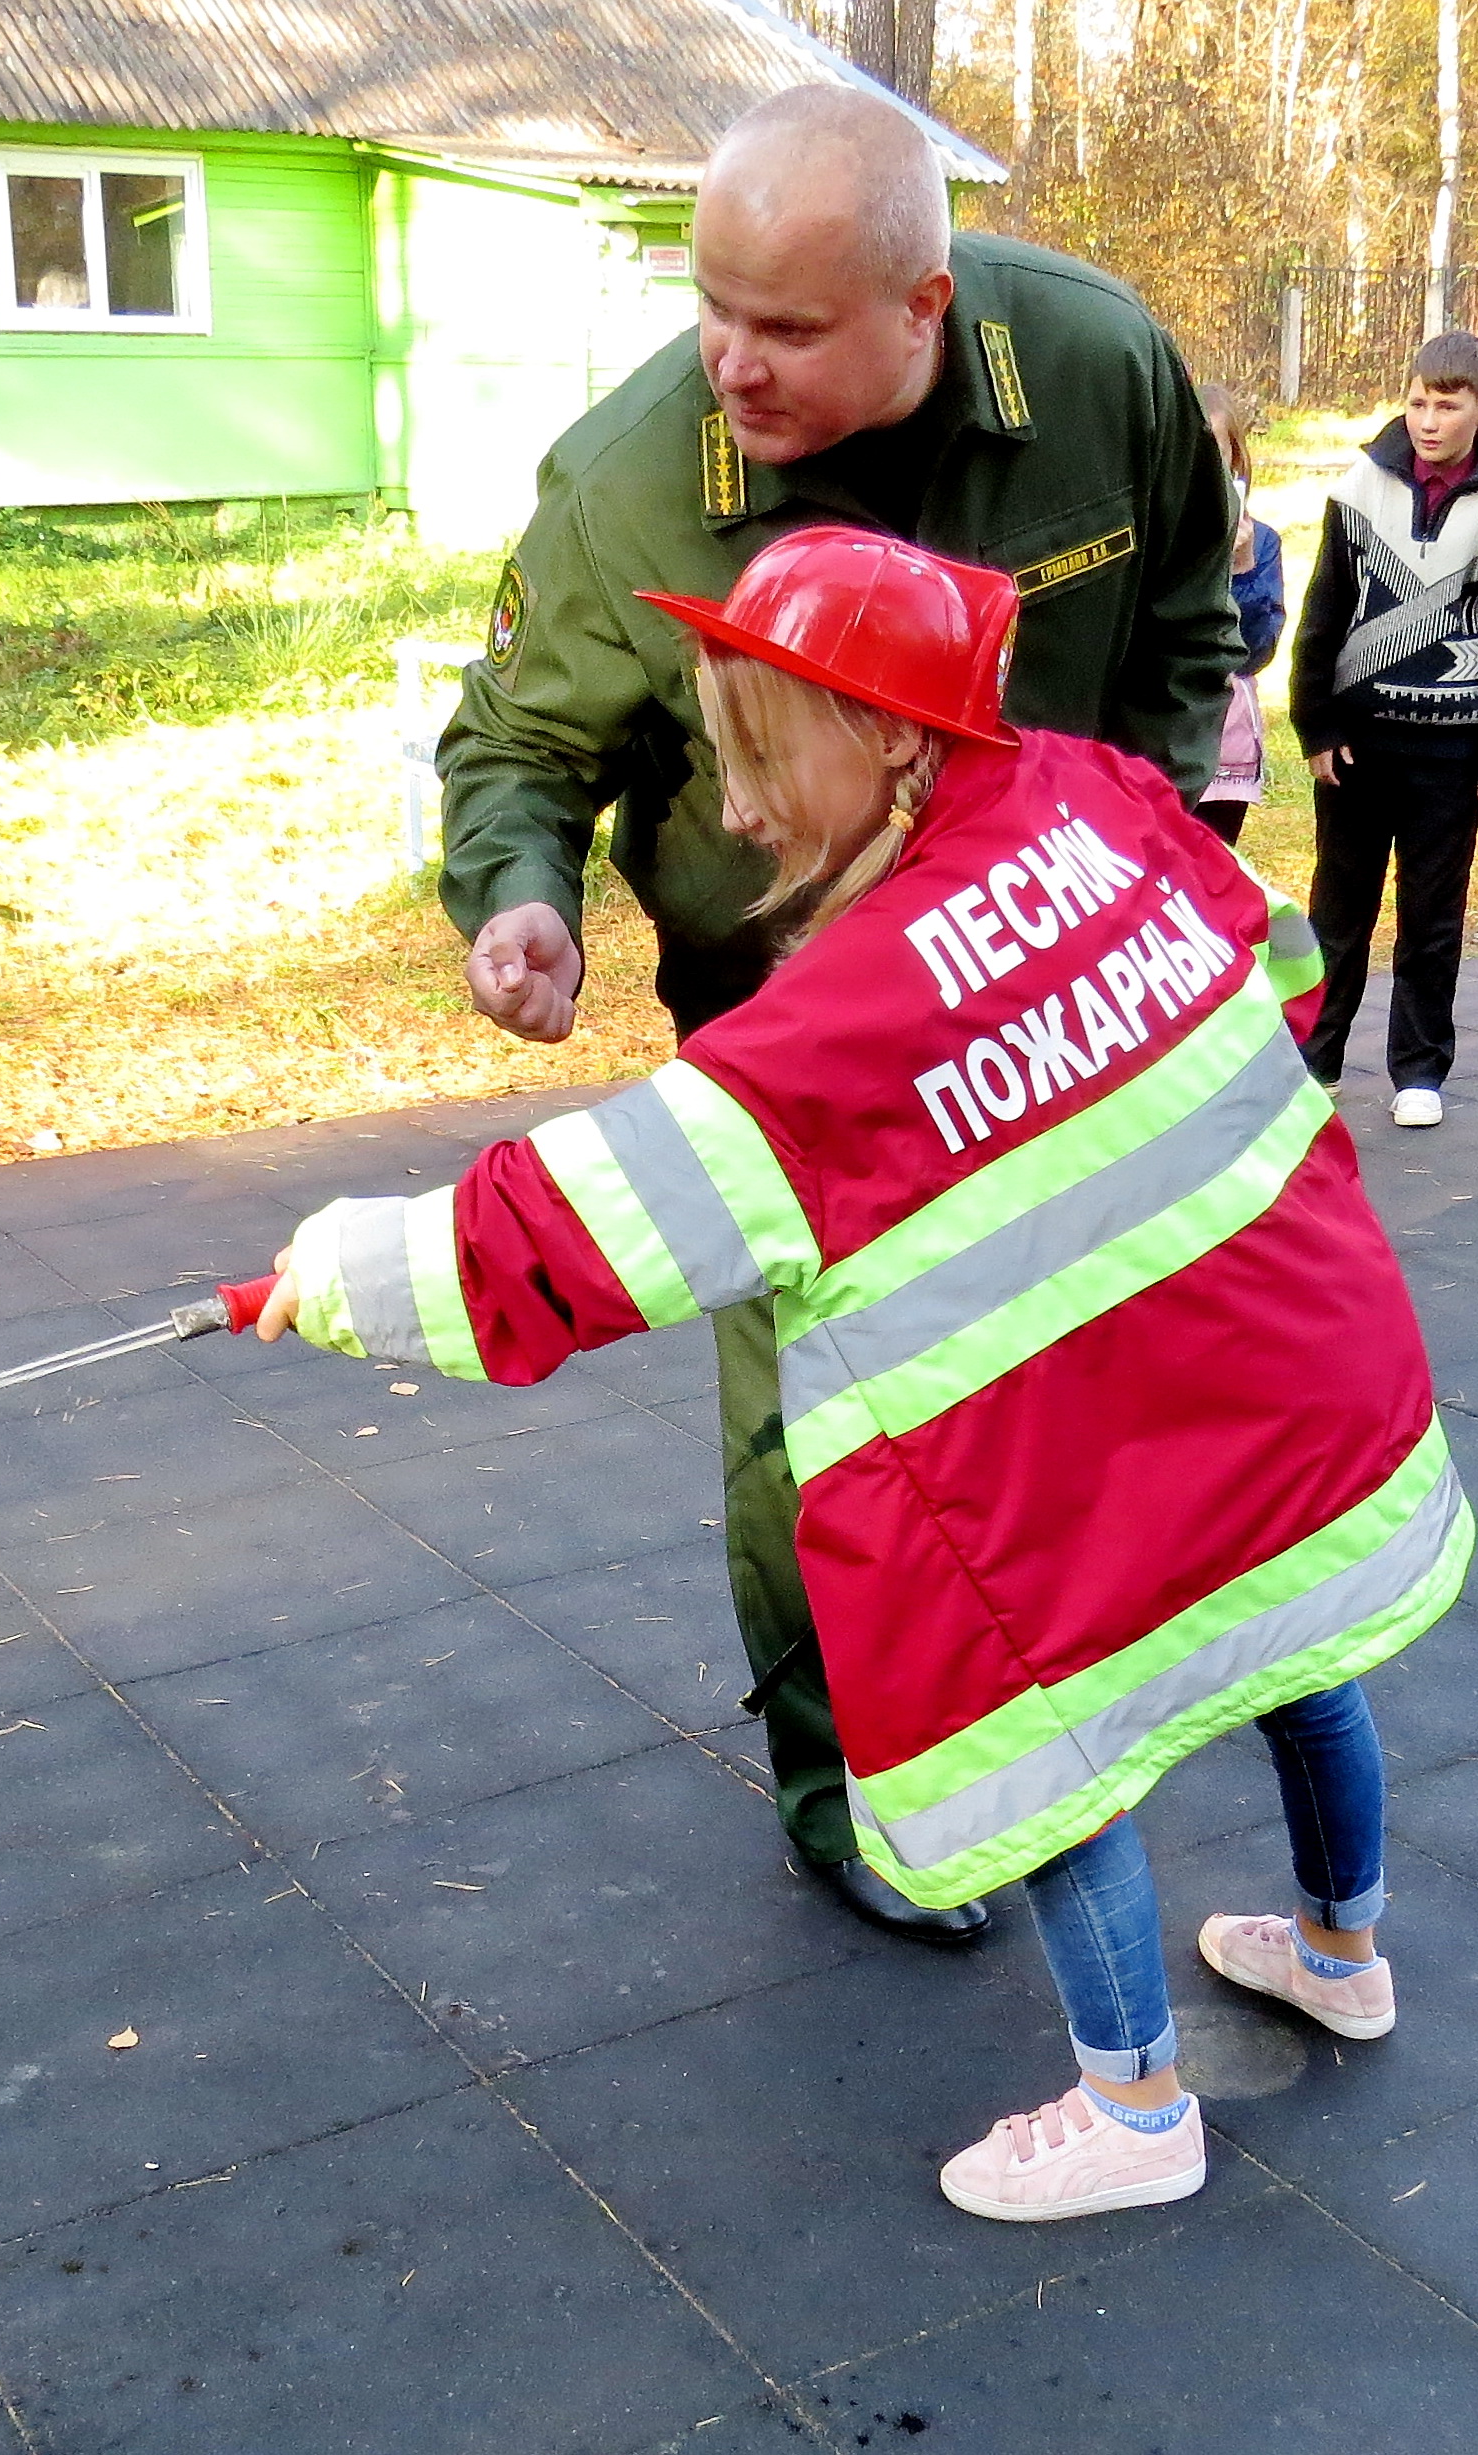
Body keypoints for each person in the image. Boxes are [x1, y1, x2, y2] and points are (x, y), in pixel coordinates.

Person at [260, 529, 1468, 2221]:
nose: (738, 811)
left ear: (889, 737)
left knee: (1052, 1723)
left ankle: (1135, 2113)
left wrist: (314, 1281)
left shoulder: (839, 1024)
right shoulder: (1105, 800)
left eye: (760, 754)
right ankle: (1342, 1946)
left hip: (1110, 1443)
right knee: (1299, 1644)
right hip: (1271, 1368)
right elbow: (1281, 967)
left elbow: (554, 1241)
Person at [431, 83, 1244, 1945]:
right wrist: (524, 899)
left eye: (786, 325)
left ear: (923, 308)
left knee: (1070, 1380)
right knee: (814, 1434)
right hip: (802, 1051)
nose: (732, 360)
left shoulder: (1100, 370)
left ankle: (1070, 1724)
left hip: (1051, 1007)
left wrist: (1170, 829)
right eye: (710, 304)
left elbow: (1194, 608)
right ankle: (848, 1793)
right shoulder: (637, 473)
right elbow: (517, 743)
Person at [1289, 330, 1478, 1128]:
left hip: (1450, 748)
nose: (1429, 420)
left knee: (1433, 917)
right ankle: (1315, 1060)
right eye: (1417, 401)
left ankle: (1418, 1069)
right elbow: (1323, 610)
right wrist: (1316, 725)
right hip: (1360, 744)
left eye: (1448, 404)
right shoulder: (1362, 482)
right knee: (1338, 910)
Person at [1194, 379, 1287, 845]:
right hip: (1160, 739)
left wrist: (1243, 567)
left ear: (1237, 460)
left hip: (1226, 738)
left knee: (1214, 868)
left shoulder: (1263, 542)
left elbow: (1255, 652)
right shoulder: (1152, 533)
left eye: (1218, 451)